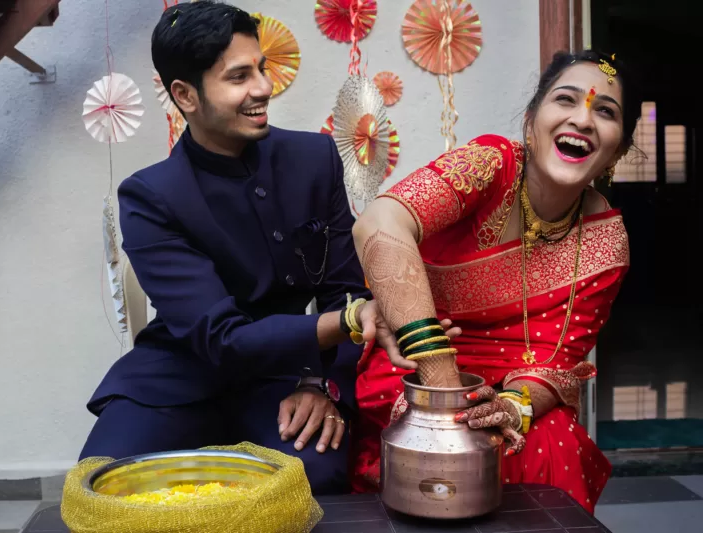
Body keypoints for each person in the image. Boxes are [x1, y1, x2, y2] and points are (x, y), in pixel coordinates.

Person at [79, 1, 393, 495]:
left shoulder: (314, 160)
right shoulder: (150, 196)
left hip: (290, 376)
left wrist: (323, 384)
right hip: (179, 379)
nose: (263, 88)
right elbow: (221, 338)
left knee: (313, 478)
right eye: (239, 76)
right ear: (185, 95)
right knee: (102, 486)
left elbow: (345, 291)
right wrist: (350, 321)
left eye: (261, 69)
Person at [349, 50, 640, 512]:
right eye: (565, 100)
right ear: (530, 121)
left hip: (509, 385)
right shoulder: (490, 164)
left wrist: (512, 407)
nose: (583, 119)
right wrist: (442, 379)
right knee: (438, 436)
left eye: (605, 112)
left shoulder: (605, 241)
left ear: (618, 151)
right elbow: (379, 223)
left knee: (553, 440)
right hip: (419, 360)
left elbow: (558, 359)